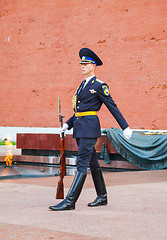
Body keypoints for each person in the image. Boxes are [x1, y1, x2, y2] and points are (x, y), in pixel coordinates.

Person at [49, 48, 132, 211]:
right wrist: (67, 125)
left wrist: (125, 127)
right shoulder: (82, 85)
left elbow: (112, 106)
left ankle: (70, 201)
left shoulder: (100, 85)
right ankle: (102, 196)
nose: (82, 66)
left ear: (93, 66)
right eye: (81, 63)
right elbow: (79, 110)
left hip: (89, 129)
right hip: (80, 128)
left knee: (81, 164)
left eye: (85, 64)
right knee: (93, 163)